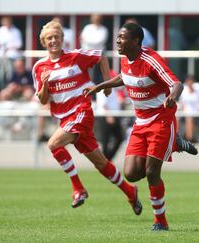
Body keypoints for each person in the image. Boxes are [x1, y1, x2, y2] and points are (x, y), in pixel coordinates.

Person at [83, 22, 198, 231]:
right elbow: (124, 78)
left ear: (135, 41)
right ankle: (174, 143)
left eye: (122, 37)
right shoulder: (126, 59)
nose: (117, 41)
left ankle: (160, 222)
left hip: (161, 119)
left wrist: (172, 97)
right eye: (117, 37)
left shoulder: (151, 60)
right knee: (131, 173)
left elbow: (177, 83)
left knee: (152, 172)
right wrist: (101, 86)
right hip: (140, 122)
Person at [32, 20, 142, 215]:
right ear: (43, 42)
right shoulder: (39, 68)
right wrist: (44, 85)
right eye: (49, 38)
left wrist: (107, 84)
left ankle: (78, 189)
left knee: (53, 144)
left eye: (56, 37)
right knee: (100, 163)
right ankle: (130, 191)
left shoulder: (76, 56)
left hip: (82, 111)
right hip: (65, 119)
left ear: (62, 39)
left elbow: (101, 57)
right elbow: (42, 100)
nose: (53, 41)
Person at [0, 16, 23, 100]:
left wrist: (9, 48)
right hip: (1, 58)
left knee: (10, 77)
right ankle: (3, 96)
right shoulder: (1, 30)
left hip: (12, 58)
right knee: (0, 77)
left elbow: (19, 45)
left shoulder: (16, 31)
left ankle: (10, 96)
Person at [80, 14, 109, 84]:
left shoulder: (104, 29)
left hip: (100, 56)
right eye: (95, 18)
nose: (96, 19)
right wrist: (92, 41)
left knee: (99, 77)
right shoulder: (87, 28)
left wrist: (88, 41)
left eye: (98, 18)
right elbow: (83, 39)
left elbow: (100, 41)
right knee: (88, 75)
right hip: (87, 55)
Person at [178, 75, 199, 143]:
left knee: (189, 118)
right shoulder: (184, 91)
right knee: (177, 118)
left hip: (197, 113)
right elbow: (182, 103)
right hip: (185, 113)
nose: (189, 83)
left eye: (191, 81)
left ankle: (189, 138)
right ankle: (178, 138)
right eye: (188, 81)